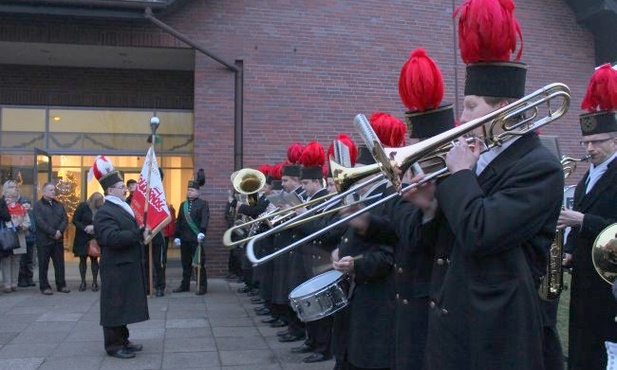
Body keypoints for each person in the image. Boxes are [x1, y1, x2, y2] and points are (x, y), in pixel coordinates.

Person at [420, 1, 564, 369]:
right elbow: (451, 235)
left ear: (504, 108)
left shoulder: (540, 167)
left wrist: (459, 175)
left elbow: (481, 232)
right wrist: (429, 204)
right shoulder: (480, 156)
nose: (461, 118)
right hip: (457, 320)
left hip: (499, 329)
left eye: (470, 106)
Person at [559, 63, 617, 370]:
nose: (590, 148)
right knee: (581, 351)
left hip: (610, 287)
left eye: (597, 142)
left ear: (616, 141)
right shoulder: (586, 177)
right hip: (583, 279)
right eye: (586, 143)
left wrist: (581, 220)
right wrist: (567, 251)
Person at [90, 155, 148, 359]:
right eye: (122, 186)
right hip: (115, 266)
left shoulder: (120, 207)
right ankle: (113, 346)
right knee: (114, 306)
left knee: (123, 304)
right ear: (110, 190)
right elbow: (109, 237)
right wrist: (136, 234)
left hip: (125, 264)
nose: (125, 189)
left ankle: (123, 340)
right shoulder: (106, 211)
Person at [173, 169, 209, 295]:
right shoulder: (183, 204)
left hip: (196, 238)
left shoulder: (203, 204)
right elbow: (179, 221)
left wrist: (202, 232)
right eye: (188, 190)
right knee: (185, 263)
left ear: (198, 192)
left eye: (192, 190)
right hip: (184, 239)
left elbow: (205, 218)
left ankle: (202, 286)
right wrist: (176, 236)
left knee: (199, 263)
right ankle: (185, 284)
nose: (189, 192)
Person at [33, 182, 70, 295]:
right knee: (43, 264)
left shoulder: (59, 205)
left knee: (59, 264)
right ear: (44, 192)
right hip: (44, 240)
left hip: (58, 240)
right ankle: (44, 286)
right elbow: (40, 222)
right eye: (50, 190)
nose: (53, 192)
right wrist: (53, 232)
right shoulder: (38, 205)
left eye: (54, 190)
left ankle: (61, 284)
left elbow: (65, 219)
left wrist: (59, 231)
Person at [72, 192, 104, 292]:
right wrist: (85, 228)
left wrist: (95, 228)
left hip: (94, 237)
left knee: (94, 259)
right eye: (98, 201)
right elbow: (75, 220)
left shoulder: (102, 209)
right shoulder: (83, 206)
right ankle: (83, 281)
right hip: (82, 237)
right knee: (82, 260)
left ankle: (95, 282)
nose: (100, 203)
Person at [1, 180, 29, 293]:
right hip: (6, 236)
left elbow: (27, 221)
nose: (15, 189)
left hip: (19, 235)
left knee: (16, 260)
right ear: (5, 189)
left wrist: (23, 225)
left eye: (16, 187)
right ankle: (7, 284)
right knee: (6, 260)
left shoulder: (21, 205)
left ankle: (14, 283)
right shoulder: (2, 204)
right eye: (12, 187)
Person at [17, 195, 37, 288]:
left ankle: (30, 278)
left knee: (29, 260)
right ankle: (22, 279)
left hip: (31, 240)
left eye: (28, 203)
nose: (26, 205)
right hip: (22, 240)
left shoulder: (32, 213)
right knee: (22, 260)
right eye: (24, 203)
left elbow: (35, 225)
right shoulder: (19, 213)